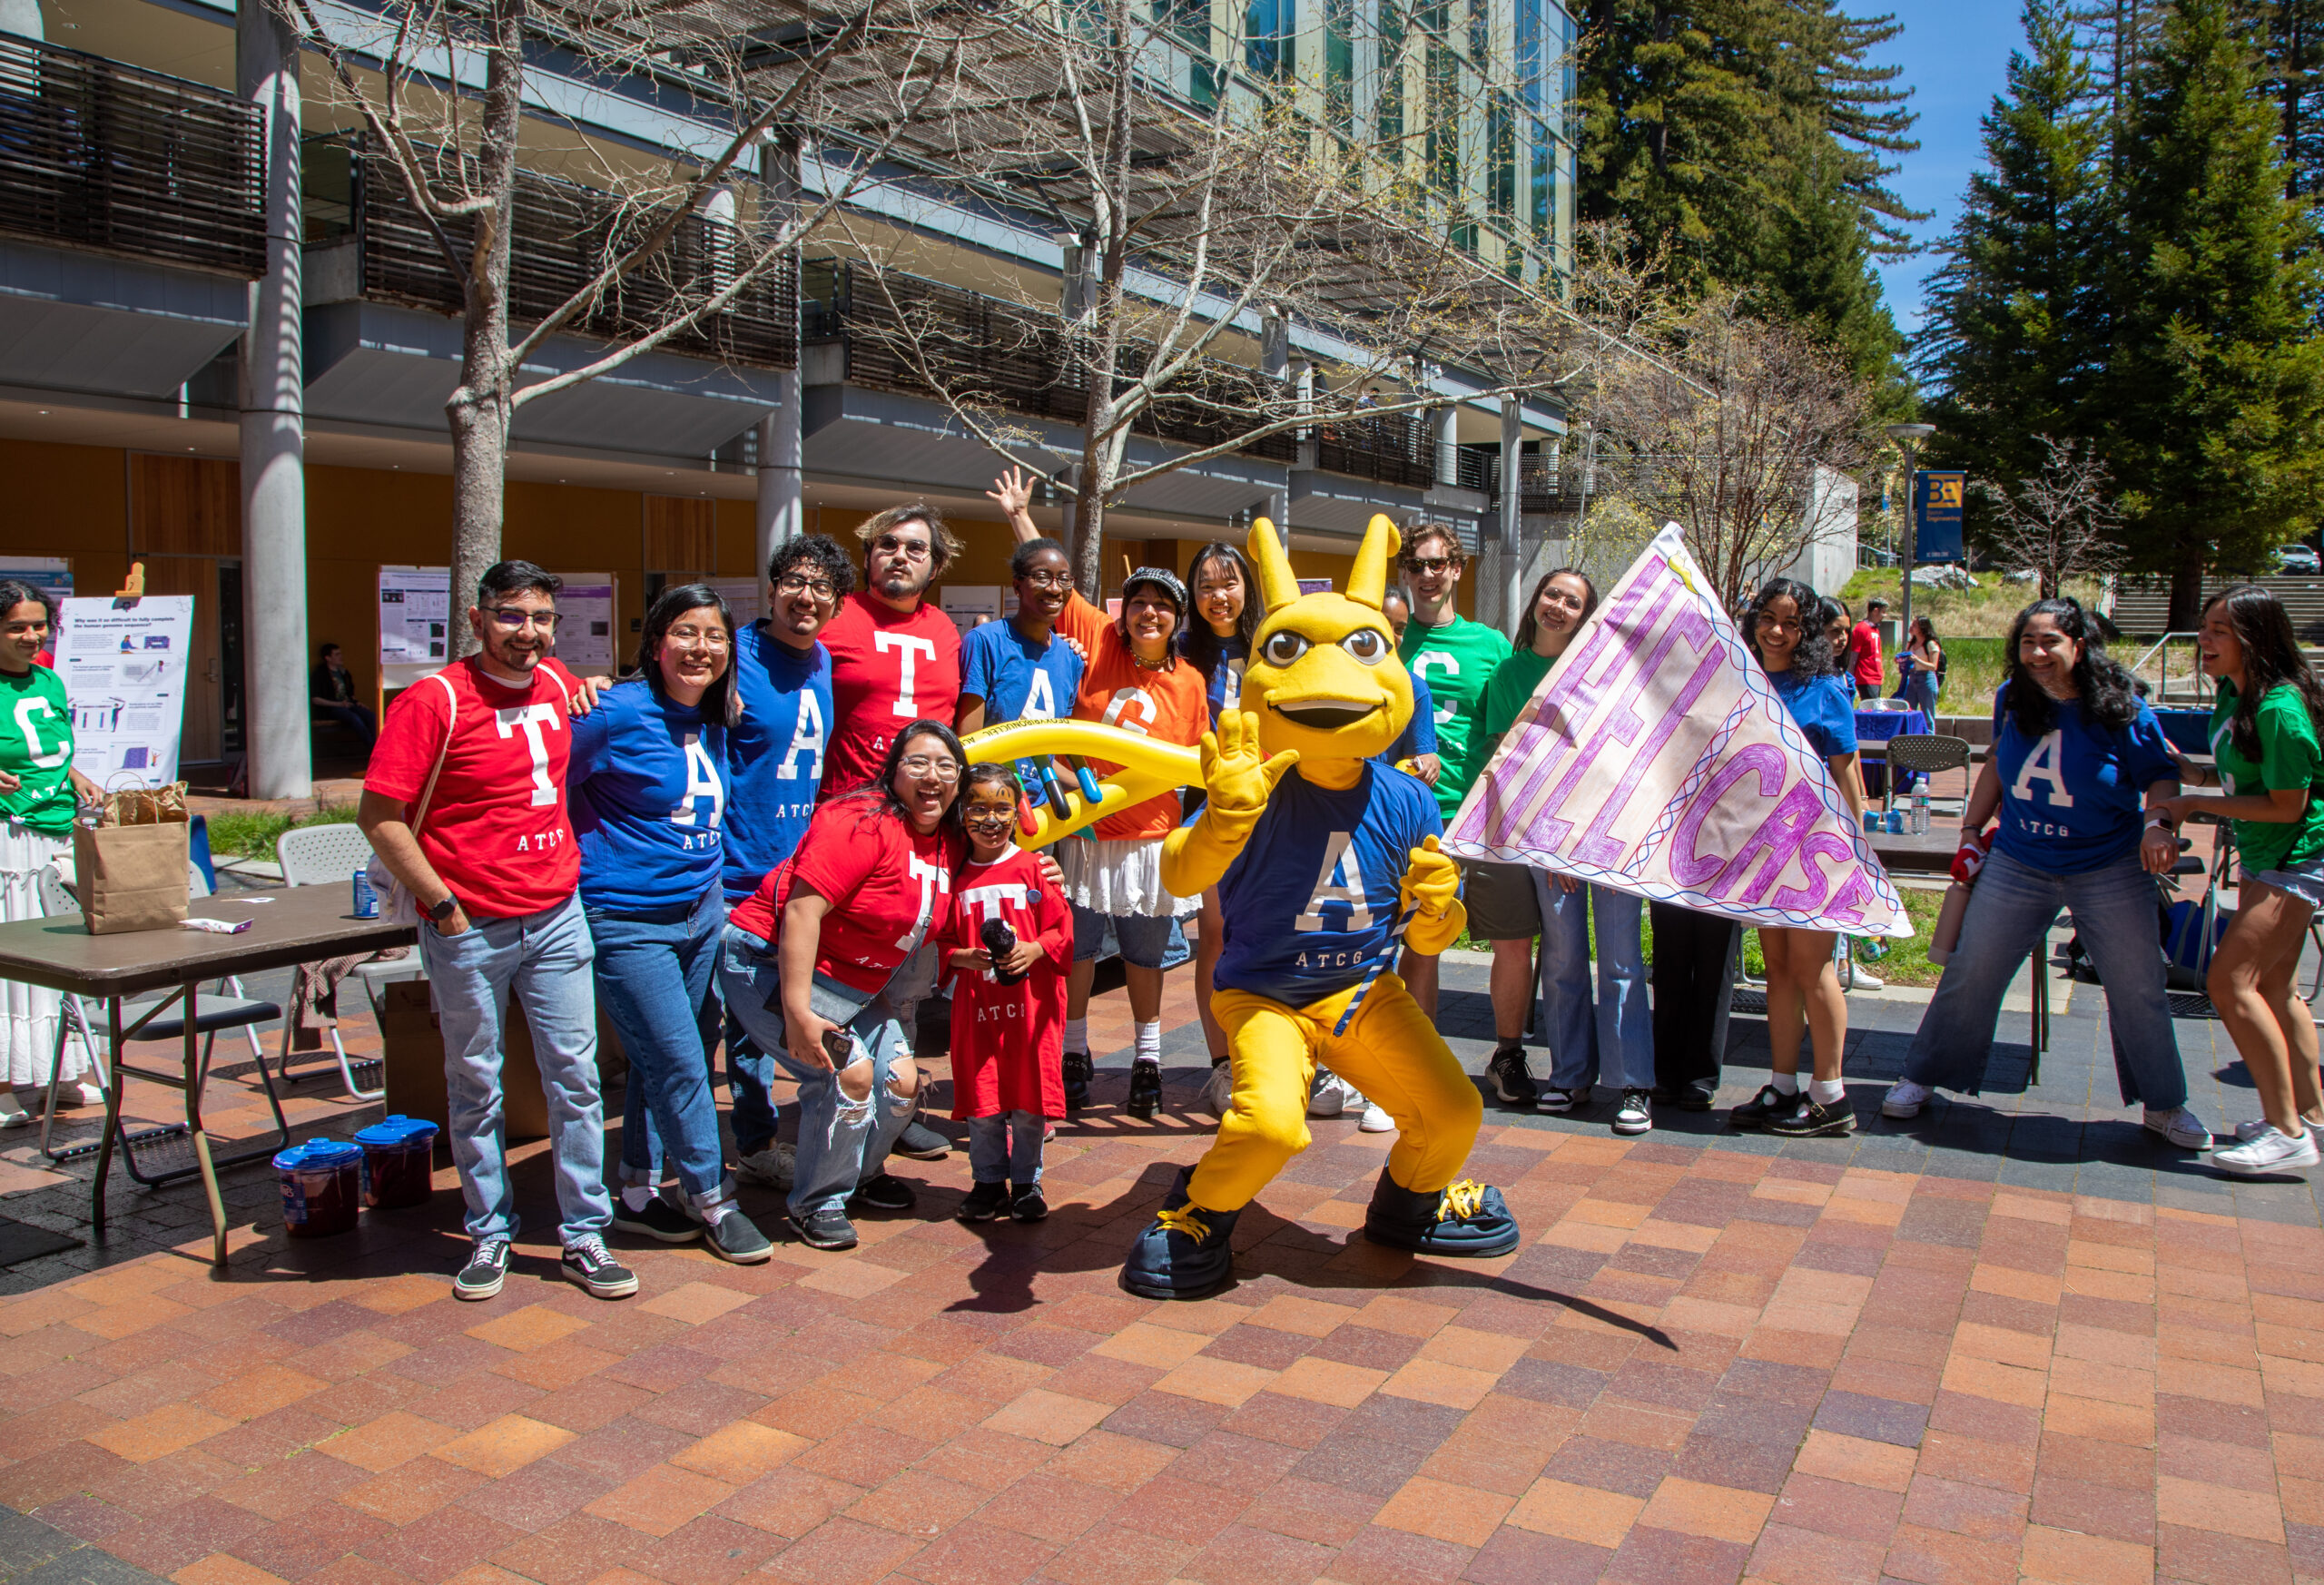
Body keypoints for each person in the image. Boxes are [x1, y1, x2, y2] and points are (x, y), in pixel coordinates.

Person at [360, 561, 635, 1302]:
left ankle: (584, 1234)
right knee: (475, 1083)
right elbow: (379, 819)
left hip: (554, 917)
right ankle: (489, 1232)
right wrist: (441, 903)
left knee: (576, 1081)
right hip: (469, 927)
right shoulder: (433, 701)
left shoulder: (554, 686)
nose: (530, 632)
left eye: (542, 618)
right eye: (512, 616)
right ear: (478, 619)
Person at [1884, 598, 2208, 1152]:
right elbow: (1997, 763)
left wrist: (2156, 823)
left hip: (2108, 865)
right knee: (1972, 971)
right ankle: (1923, 1075)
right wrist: (1970, 831)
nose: (2037, 653)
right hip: (2019, 860)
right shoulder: (2015, 699)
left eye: (2050, 641)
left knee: (2138, 987)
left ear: (2079, 646)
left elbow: (2159, 775)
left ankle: (2166, 1104)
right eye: (2028, 642)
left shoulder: (2122, 705)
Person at [567, 586, 772, 1264]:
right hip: (627, 921)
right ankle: (713, 1199)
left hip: (700, 914)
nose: (701, 648)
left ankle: (635, 1192)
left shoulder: (711, 715)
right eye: (686, 633)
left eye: (715, 636)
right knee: (682, 1062)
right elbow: (546, 786)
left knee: (669, 1059)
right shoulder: (610, 712)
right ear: (656, 641)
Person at [994, 498, 1209, 1120]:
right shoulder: (1100, 641)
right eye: (1139, 601)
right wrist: (1019, 516)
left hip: (1150, 839)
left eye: (1162, 605)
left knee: (1146, 957)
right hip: (1082, 834)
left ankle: (1147, 1058)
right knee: (1078, 951)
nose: (1149, 612)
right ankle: (1076, 1051)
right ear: (1125, 612)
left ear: (1176, 619)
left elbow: (1194, 768)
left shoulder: (1190, 682)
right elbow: (1053, 578)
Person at [719, 722, 961, 1249]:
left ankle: (857, 1175)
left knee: (899, 1081)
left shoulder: (947, 838)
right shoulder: (859, 822)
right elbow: (803, 913)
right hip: (769, 964)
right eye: (917, 762)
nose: (933, 776)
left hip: (851, 988)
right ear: (892, 770)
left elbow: (1009, 826)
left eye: (947, 766)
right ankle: (817, 1203)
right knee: (848, 1076)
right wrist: (798, 1012)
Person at [2151, 586, 2324, 1175]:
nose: (2204, 639)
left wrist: (2196, 804)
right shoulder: (2235, 695)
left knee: (2229, 982)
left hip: (2297, 860)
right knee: (2278, 992)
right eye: (2204, 627)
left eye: (2220, 630)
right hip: (2266, 859)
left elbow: (2285, 805)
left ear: (2257, 638)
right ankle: (2311, 1118)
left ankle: (2285, 1131)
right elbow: (2237, 781)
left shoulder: (2280, 710)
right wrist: (2186, 768)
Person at [1478, 571, 1653, 1131]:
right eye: (1551, 595)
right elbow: (1510, 763)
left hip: (1611, 836)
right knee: (1560, 959)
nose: (1558, 606)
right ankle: (1570, 1075)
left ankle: (1631, 1085)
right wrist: (1554, 847)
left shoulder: (1605, 674)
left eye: (1572, 602)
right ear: (1534, 603)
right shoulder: (1508, 675)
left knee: (1622, 961)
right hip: (1546, 841)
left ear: (1587, 616)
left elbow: (1621, 758)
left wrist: (1584, 837)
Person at [721, 536, 848, 1193]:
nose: (807, 596)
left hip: (788, 875)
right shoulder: (733, 657)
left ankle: (754, 1141)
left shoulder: (822, 660)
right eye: (796, 581)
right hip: (726, 872)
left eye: (822, 587)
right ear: (772, 587)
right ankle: (664, 1165)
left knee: (755, 1021)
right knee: (701, 1027)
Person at [1728, 577, 1868, 1139]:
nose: (1777, 631)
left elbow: (1847, 771)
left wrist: (1857, 849)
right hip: (1762, 848)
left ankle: (1830, 1094)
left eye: (1791, 623)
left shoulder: (1826, 689)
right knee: (1779, 971)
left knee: (1814, 970)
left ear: (1808, 631)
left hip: (1818, 848)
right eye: (1769, 618)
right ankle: (1783, 1085)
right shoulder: (1742, 678)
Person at [939, 765, 1072, 1221]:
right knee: (984, 1097)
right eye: (978, 808)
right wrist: (959, 957)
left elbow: (1062, 930)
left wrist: (1036, 948)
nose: (991, 820)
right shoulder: (951, 878)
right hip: (979, 1008)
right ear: (961, 813)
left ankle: (1027, 1181)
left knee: (1029, 1098)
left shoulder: (1035, 868)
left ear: (1018, 812)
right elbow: (938, 939)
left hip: (1033, 1011)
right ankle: (988, 1180)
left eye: (1002, 808)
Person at [1393, 525, 1512, 1019]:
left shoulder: (1490, 644)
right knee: (1376, 943)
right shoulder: (1382, 638)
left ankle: (1420, 1060)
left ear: (1456, 569)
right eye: (1416, 565)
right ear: (1403, 572)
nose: (1426, 575)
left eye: (1436, 564)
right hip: (1391, 814)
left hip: (1462, 816)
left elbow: (1508, 730)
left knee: (1428, 943)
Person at [0, 581, 98, 1126]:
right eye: (16, 627)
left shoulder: (49, 680)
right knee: (10, 963)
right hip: (7, 842)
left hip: (55, 833)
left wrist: (77, 777)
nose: (31, 636)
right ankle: (3, 1085)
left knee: (58, 960)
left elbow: (49, 750)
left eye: (39, 625)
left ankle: (59, 1073)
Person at [1175, 538, 1259, 1098]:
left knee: (1272, 928)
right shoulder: (1179, 650)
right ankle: (1222, 1062)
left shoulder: (1272, 644)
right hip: (1204, 809)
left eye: (1228, 582)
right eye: (1205, 585)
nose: (1218, 595)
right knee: (1216, 932)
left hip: (1271, 806)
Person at [818, 503, 964, 800]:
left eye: (915, 549)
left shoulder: (945, 629)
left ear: (934, 567)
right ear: (867, 558)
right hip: (846, 808)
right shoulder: (832, 615)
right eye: (888, 544)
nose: (900, 555)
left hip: (923, 812)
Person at [1376, 589, 1442, 783]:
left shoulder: (1414, 689)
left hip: (1384, 804)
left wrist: (1426, 763)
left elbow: (1420, 756)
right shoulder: (1336, 682)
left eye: (1400, 629)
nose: (1391, 635)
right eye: (1383, 623)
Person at [310, 643, 378, 750]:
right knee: (354, 718)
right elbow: (315, 699)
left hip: (347, 705)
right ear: (327, 658)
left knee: (371, 716)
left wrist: (357, 702)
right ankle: (371, 747)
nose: (341, 656)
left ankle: (379, 746)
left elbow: (350, 695)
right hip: (330, 708)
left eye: (340, 653)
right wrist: (338, 704)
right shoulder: (320, 674)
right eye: (337, 654)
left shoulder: (344, 673)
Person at [1897, 616, 1944, 718]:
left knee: (1928, 715)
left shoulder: (1931, 644)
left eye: (1915, 625)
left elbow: (1933, 666)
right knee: (1909, 712)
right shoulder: (1911, 644)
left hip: (1926, 679)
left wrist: (1917, 660)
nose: (1911, 627)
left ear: (1922, 628)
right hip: (1912, 678)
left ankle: (1929, 734)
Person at [1851, 596, 1888, 698]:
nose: (1885, 615)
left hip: (1876, 677)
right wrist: (1850, 677)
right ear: (1875, 611)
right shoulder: (1861, 628)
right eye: (1883, 612)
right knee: (1870, 708)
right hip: (1866, 677)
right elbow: (1853, 654)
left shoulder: (1875, 629)